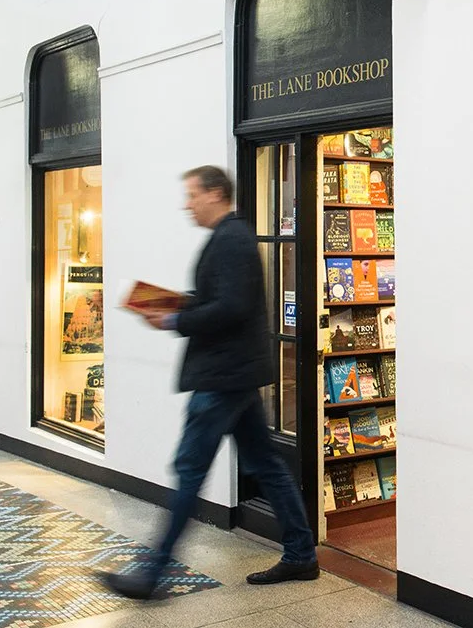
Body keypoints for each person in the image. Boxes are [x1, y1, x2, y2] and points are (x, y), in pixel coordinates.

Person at [102, 165, 318, 599]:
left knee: (188, 469)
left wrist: (177, 318)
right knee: (268, 465)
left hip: (224, 377)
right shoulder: (229, 239)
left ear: (216, 194)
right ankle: (301, 554)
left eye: (192, 195)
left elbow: (232, 309)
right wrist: (171, 304)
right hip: (235, 374)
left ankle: (151, 573)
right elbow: (221, 300)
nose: (187, 204)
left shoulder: (232, 241)